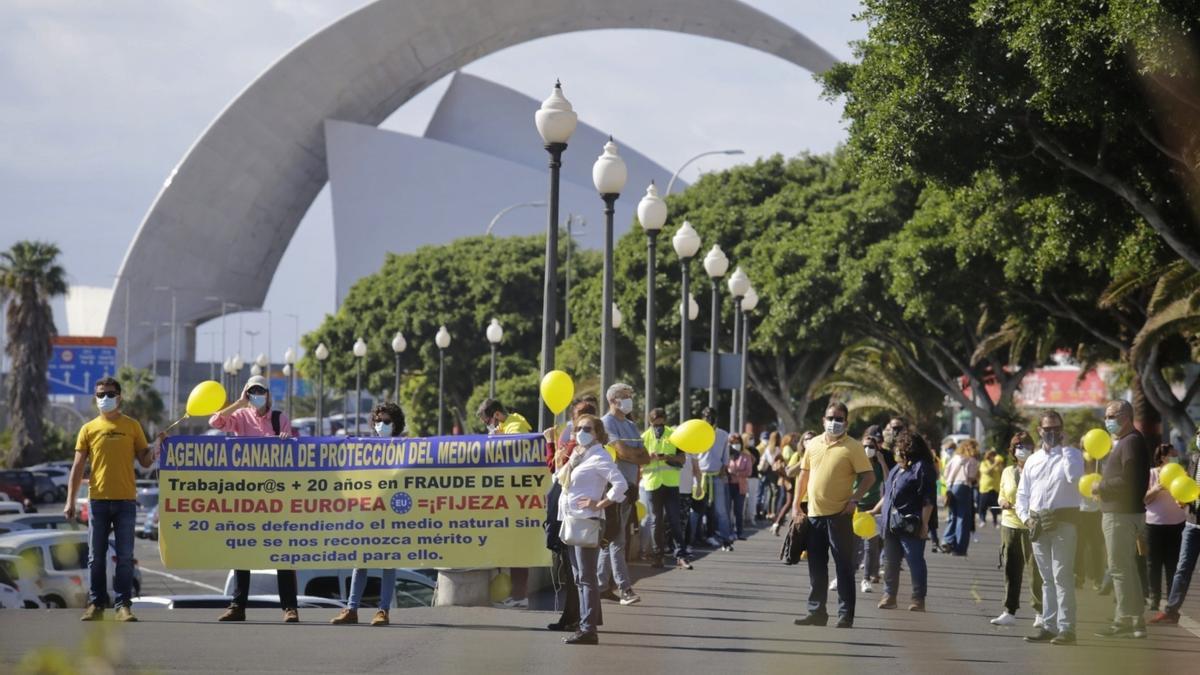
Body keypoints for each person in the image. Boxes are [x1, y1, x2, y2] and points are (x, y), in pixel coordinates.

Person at [66, 376, 163, 622]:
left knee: (125, 557)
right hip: (97, 501)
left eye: (109, 394)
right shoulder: (88, 428)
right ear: (95, 398)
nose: (105, 399)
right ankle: (96, 604)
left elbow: (144, 460)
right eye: (100, 395)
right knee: (95, 558)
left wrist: (157, 446)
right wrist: (70, 501)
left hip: (126, 502)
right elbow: (78, 467)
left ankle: (123, 606)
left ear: (119, 397)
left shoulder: (132, 426)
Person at [210, 375, 300, 623]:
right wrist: (238, 403)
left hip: (275, 494)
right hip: (247, 493)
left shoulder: (279, 418)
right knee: (243, 549)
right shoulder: (240, 417)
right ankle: (238, 605)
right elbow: (215, 421)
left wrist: (285, 441)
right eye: (252, 391)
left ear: (268, 394)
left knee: (282, 551)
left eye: (260, 390)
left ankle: (289, 607)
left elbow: (291, 449)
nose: (257, 395)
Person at [792, 402, 875, 629]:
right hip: (814, 515)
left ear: (846, 422)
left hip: (840, 515)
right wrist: (795, 506)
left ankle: (845, 615)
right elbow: (803, 476)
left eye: (839, 418)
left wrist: (855, 498)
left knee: (844, 566)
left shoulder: (853, 447)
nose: (834, 422)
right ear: (823, 420)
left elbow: (869, 477)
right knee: (816, 566)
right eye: (830, 417)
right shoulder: (814, 444)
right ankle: (816, 612)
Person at [330, 402, 406, 625]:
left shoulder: (404, 448)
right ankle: (351, 609)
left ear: (396, 424)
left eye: (386, 421)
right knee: (360, 560)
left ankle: (383, 610)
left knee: (388, 561)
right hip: (367, 511)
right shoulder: (364, 446)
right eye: (378, 421)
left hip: (392, 512)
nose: (381, 425)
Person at [556, 414, 628, 645]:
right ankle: (587, 622)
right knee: (579, 577)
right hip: (571, 520)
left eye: (587, 428)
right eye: (578, 428)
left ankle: (588, 630)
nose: (580, 432)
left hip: (587, 520)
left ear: (597, 432)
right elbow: (559, 479)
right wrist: (560, 458)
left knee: (586, 578)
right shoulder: (578, 454)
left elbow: (621, 484)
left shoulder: (600, 456)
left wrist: (599, 503)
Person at [1016, 410, 1084, 646]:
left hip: (1063, 522)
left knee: (1062, 576)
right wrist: (1026, 518)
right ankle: (1049, 625)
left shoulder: (1072, 455)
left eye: (1056, 429)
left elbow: (1074, 477)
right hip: (1037, 523)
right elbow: (1022, 494)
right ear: (1040, 431)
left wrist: (1064, 449)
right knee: (1046, 579)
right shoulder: (1033, 460)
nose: (1052, 433)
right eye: (1048, 429)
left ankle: (1067, 629)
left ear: (1062, 430)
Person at [1093, 399, 1151, 639]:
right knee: (1126, 569)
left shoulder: (1129, 443)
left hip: (1120, 515)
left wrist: (1101, 486)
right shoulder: (1131, 441)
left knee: (1119, 569)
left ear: (1125, 417)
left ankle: (1124, 619)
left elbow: (1128, 481)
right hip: (1126, 513)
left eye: (1111, 416)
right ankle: (1136, 620)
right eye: (1106, 416)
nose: (1107, 421)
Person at [478, 398, 533, 607]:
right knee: (514, 549)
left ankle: (520, 597)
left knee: (518, 549)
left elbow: (512, 457)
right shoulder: (508, 426)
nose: (489, 426)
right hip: (514, 496)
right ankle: (518, 595)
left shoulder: (515, 427)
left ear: (497, 415)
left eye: (488, 421)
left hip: (519, 497)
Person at [872, 429, 935, 612]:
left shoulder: (921, 467)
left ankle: (918, 598)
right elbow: (888, 495)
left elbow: (928, 500)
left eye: (899, 446)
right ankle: (889, 596)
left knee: (914, 560)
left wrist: (924, 525)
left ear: (908, 447)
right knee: (890, 561)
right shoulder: (898, 468)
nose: (896, 450)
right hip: (891, 524)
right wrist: (875, 510)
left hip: (910, 524)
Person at [598, 384, 650, 593]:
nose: (630, 400)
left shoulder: (630, 425)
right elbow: (622, 452)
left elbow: (644, 456)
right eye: (626, 396)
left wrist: (633, 454)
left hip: (630, 489)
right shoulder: (605, 423)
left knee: (612, 538)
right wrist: (633, 454)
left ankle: (601, 585)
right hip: (613, 487)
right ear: (614, 400)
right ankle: (624, 588)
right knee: (618, 539)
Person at [990, 435, 1043, 627]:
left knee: (1035, 570)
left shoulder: (1038, 469)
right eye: (1019, 446)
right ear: (1012, 450)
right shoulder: (1007, 471)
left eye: (1027, 446)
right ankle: (1009, 611)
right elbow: (1002, 495)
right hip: (1010, 524)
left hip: (1030, 525)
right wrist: (1003, 502)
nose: (1023, 449)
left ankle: (1040, 612)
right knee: (1011, 569)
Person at [1151, 425, 1200, 624]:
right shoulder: (1195, 459)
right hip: (1192, 523)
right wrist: (1185, 500)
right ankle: (1171, 611)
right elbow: (1189, 487)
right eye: (1198, 433)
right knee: (1182, 569)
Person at [641, 407, 689, 571]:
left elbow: (683, 459)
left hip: (670, 484)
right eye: (655, 424)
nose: (658, 427)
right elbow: (638, 462)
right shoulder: (644, 438)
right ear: (650, 422)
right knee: (656, 521)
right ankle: (658, 557)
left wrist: (668, 457)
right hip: (652, 484)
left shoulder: (674, 436)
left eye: (661, 424)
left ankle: (681, 556)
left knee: (675, 520)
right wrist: (649, 458)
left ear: (665, 421)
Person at [1144, 444, 1187, 614]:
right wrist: (1157, 488)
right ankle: (1154, 598)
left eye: (1177, 455)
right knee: (1153, 564)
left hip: (1177, 525)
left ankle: (1171, 599)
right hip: (1154, 525)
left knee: (1173, 564)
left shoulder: (1182, 474)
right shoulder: (1152, 474)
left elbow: (1187, 496)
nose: (1176, 458)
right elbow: (1144, 499)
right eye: (1172, 455)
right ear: (1163, 457)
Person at [692, 407, 734, 551]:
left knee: (721, 510)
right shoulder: (697, 433)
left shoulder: (722, 434)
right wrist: (695, 474)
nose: (708, 419)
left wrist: (723, 470)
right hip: (700, 475)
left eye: (711, 416)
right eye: (706, 416)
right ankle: (692, 540)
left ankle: (726, 539)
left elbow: (725, 457)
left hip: (716, 476)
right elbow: (693, 455)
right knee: (697, 509)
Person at [854, 426, 887, 593]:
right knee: (851, 545)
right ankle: (843, 576)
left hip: (871, 508)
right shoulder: (855, 462)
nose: (868, 449)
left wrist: (881, 461)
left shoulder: (879, 467)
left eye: (871, 447)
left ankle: (866, 578)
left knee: (870, 545)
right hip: (854, 506)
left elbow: (889, 483)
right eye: (865, 446)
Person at [942, 439, 980, 556]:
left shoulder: (955, 458)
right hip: (964, 487)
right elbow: (971, 476)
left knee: (953, 515)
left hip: (952, 487)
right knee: (963, 518)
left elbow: (946, 472)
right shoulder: (972, 460)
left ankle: (948, 540)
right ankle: (960, 548)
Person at [727, 435, 752, 540]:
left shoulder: (746, 456)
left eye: (737, 442)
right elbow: (724, 468)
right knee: (728, 510)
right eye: (733, 442)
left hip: (740, 486)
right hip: (728, 485)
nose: (735, 445)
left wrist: (736, 473)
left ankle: (739, 532)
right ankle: (728, 532)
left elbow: (748, 471)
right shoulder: (727, 455)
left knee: (738, 510)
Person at [758, 432, 783, 519]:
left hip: (768, 472)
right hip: (774, 472)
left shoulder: (768, 449)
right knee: (775, 492)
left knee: (771, 492)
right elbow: (775, 462)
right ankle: (773, 512)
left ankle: (769, 512)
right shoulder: (777, 449)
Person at [978, 449, 1004, 528]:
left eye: (993, 455)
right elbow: (987, 471)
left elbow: (1002, 471)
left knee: (995, 507)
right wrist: (995, 464)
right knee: (983, 506)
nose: (992, 457)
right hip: (985, 488)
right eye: (990, 455)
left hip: (995, 488)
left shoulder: (997, 464)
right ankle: (983, 520)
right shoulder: (983, 463)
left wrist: (999, 464)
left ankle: (995, 522)